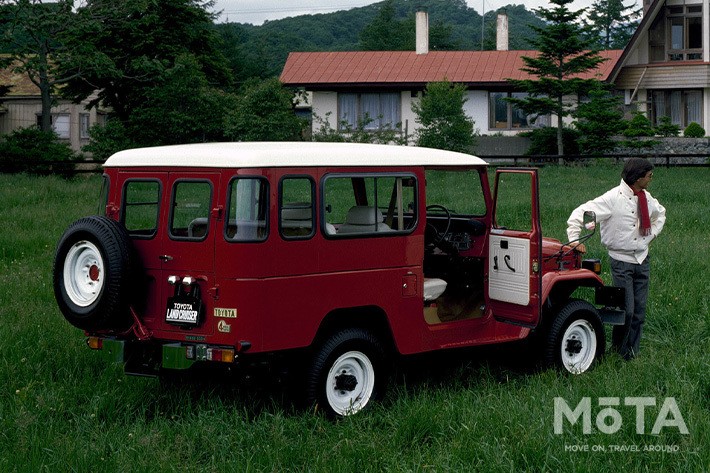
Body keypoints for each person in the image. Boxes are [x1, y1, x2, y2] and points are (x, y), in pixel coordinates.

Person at [566, 158, 666, 360]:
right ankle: (618, 351)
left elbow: (660, 214)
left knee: (639, 312)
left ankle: (632, 354)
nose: (650, 179)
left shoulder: (646, 198)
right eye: (649, 176)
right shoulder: (613, 198)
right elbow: (581, 212)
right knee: (626, 312)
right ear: (638, 178)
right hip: (621, 262)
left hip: (642, 260)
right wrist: (574, 240)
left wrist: (651, 235)